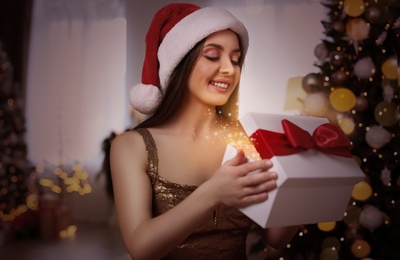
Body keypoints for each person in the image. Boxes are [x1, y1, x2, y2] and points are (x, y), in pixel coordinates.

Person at [110, 3, 299, 259]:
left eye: (236, 59)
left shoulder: (247, 140)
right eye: (212, 56)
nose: (229, 69)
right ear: (179, 62)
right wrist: (213, 193)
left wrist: (304, 181)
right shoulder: (132, 146)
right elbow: (140, 248)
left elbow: (275, 238)